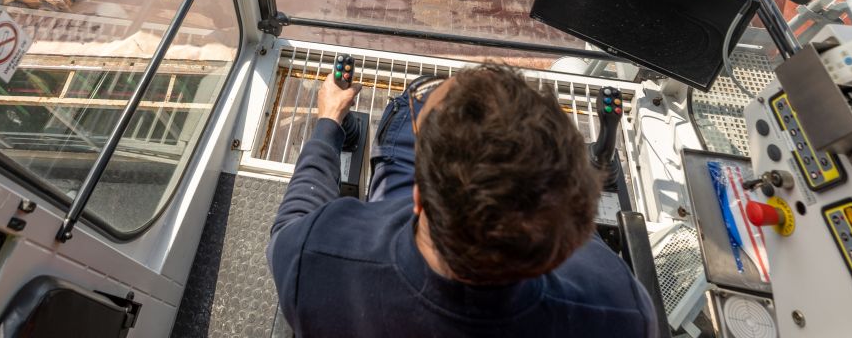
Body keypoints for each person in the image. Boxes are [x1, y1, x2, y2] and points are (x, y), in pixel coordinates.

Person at [267, 63, 659, 337]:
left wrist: (328, 125)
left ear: (418, 199)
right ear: (565, 243)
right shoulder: (620, 313)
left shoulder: (315, 259)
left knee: (409, 114)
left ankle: (412, 102)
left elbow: (291, 222)